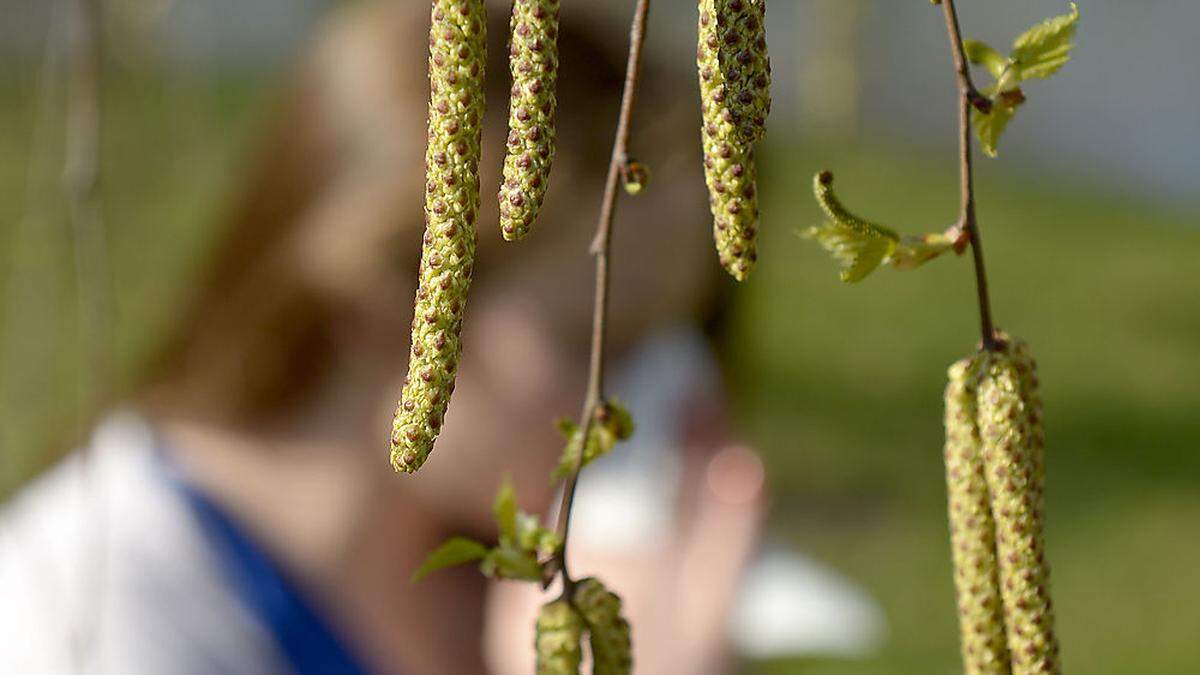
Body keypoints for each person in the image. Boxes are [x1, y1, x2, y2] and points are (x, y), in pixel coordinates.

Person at [0, 2, 777, 673]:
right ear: (382, 311)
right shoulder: (91, 616)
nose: (677, 394)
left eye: (689, 337)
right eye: (597, 337)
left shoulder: (505, 578)